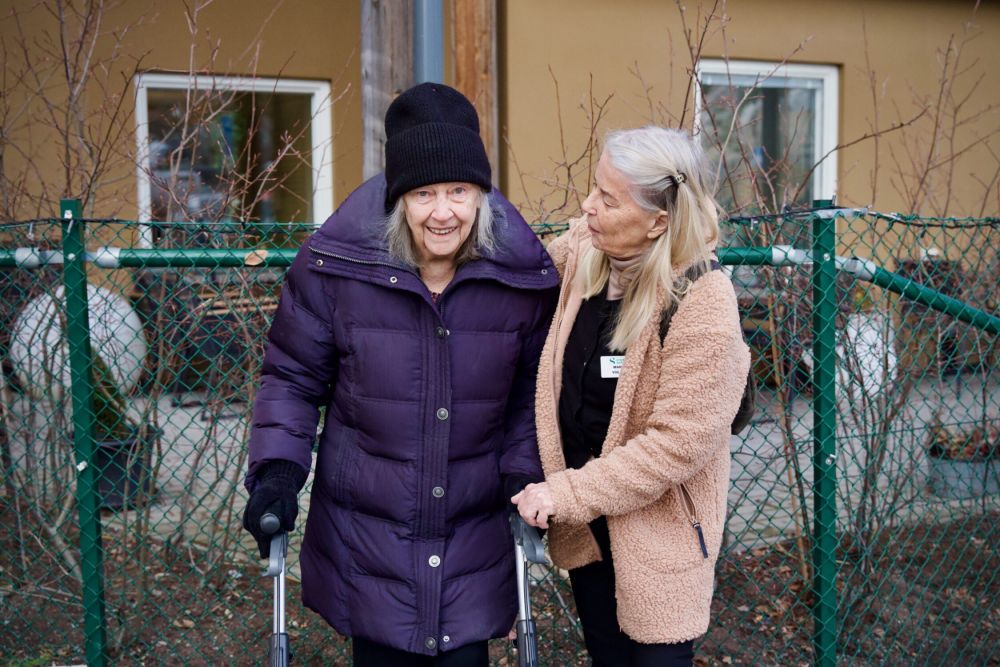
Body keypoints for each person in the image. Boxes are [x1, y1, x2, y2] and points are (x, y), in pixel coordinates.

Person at [242, 82, 559, 666]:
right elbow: (291, 378)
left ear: (481, 194)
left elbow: (531, 397)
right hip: (369, 543)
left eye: (459, 191)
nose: (443, 212)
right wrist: (279, 471)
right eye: (423, 193)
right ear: (398, 199)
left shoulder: (524, 280)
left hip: (474, 538)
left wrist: (525, 476)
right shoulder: (335, 271)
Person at [512, 126, 750, 667]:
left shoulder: (702, 303)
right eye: (594, 189)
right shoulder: (584, 255)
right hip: (589, 526)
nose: (587, 207)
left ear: (658, 222)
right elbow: (510, 272)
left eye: (607, 199)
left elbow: (676, 445)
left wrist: (564, 494)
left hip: (658, 531)